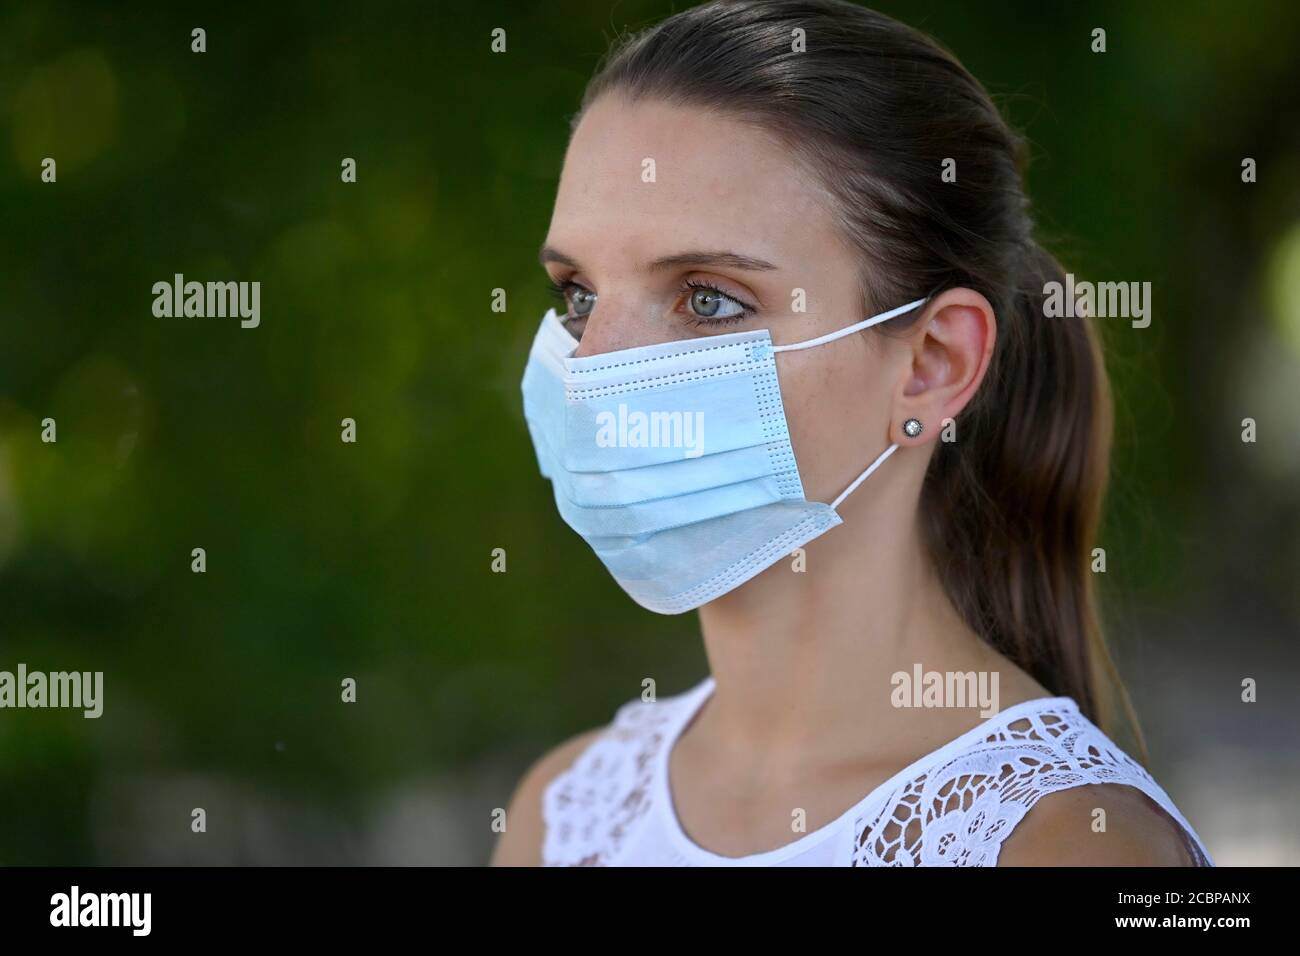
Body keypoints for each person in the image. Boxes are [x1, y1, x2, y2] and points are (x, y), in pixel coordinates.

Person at [492, 0, 1213, 867]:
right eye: (578, 295)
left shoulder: (1075, 845)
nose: (596, 366)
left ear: (933, 364)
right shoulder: (563, 814)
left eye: (708, 299)